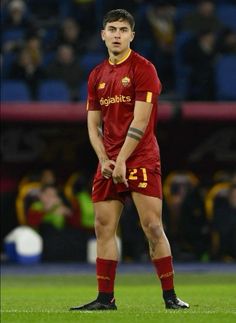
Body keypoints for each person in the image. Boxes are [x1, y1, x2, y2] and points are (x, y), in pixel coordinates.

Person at [70, 9, 189, 311]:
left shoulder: (143, 68)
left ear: (132, 35)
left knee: (151, 225)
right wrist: (104, 159)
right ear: (103, 34)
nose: (117, 35)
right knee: (103, 226)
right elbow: (93, 124)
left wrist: (122, 159)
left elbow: (140, 121)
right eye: (112, 29)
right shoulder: (96, 75)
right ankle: (105, 299)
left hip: (141, 157)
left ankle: (170, 297)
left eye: (123, 30)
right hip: (109, 160)